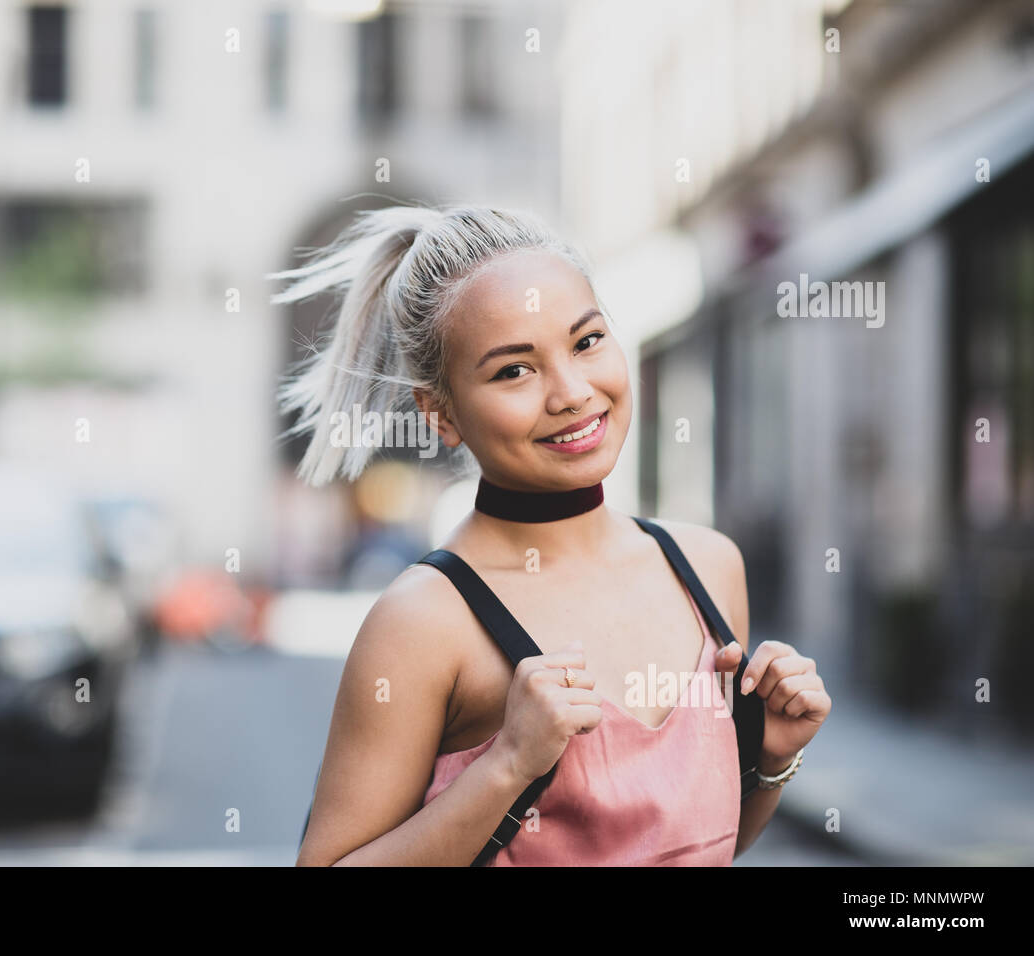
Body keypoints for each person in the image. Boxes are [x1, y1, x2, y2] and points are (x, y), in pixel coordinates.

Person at [271, 203, 831, 866]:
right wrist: (508, 763)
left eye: (587, 341)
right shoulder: (423, 621)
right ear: (440, 414)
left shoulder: (708, 567)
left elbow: (696, 843)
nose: (571, 393)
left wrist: (772, 757)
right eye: (514, 370)